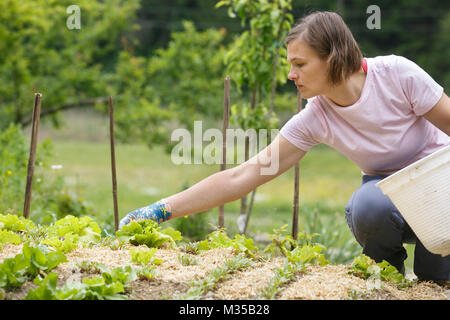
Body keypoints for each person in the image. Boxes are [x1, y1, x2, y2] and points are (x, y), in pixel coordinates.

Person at [119, 11, 450, 286]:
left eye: (300, 64)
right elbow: (241, 177)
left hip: (441, 188)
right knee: (368, 206)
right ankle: (388, 283)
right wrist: (159, 210)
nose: (291, 74)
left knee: (436, 280)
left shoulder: (396, 75)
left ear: (332, 58)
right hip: (388, 197)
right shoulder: (315, 118)